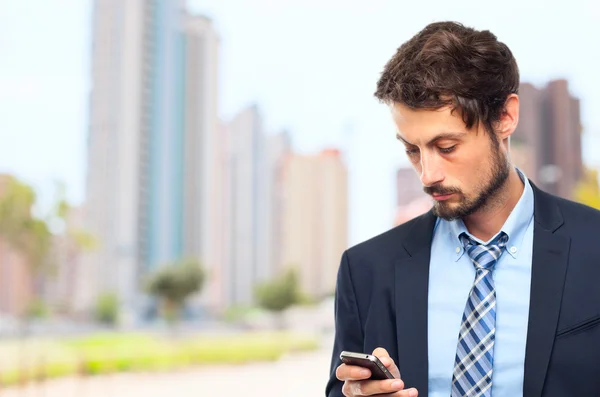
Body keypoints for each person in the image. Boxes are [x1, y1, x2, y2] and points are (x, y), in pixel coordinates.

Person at [326, 21, 600, 397]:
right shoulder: (365, 271)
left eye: (447, 146)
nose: (428, 174)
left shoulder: (594, 245)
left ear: (505, 117)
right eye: (412, 150)